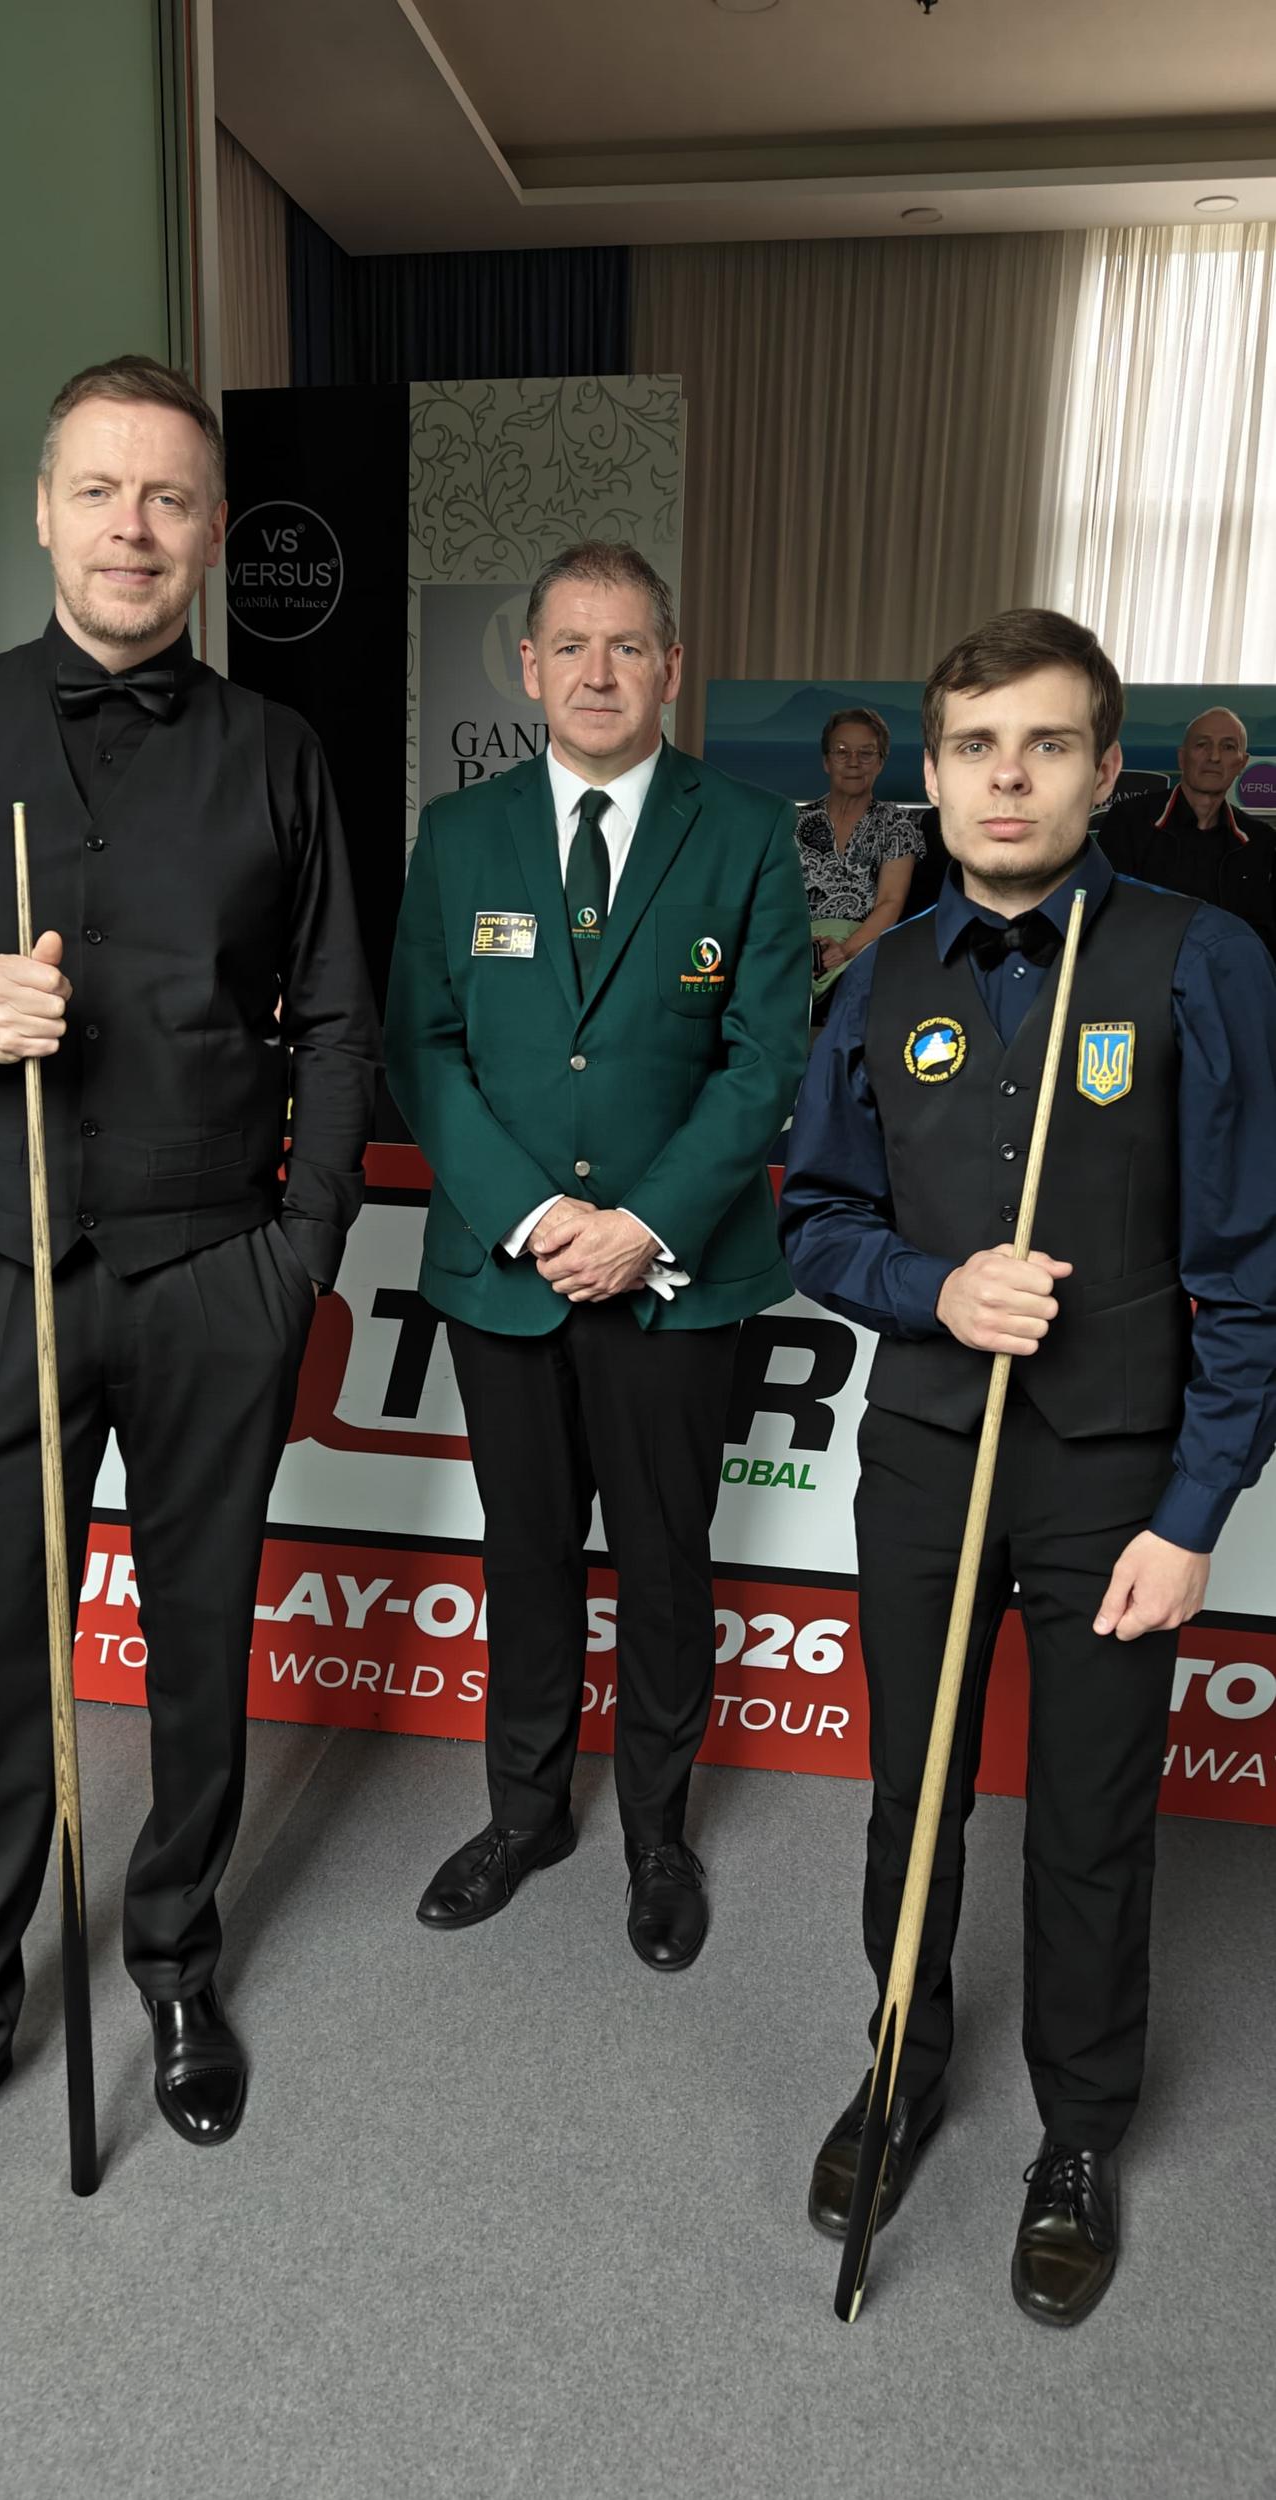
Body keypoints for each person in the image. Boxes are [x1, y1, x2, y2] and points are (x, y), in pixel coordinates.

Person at [0, 355, 379, 2242]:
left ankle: (174, 1958)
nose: (132, 528)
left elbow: (340, 1019)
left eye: (168, 498)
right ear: (43, 508)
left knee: (195, 1651)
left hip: (212, 1272)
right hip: (0, 1268)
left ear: (212, 534)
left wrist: (300, 1251)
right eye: (99, 490)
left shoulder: (278, 750)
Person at [778, 608, 1276, 2328]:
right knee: (911, 1791)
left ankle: (1077, 2131)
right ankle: (899, 2066)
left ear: (1102, 770)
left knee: (1089, 1813)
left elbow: (1249, 1267)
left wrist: (1194, 1512)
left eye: (1045, 745)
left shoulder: (1200, 961)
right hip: (926, 1452)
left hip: (1113, 1477)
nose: (1008, 779)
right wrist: (932, 1287)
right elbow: (815, 1224)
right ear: (931, 774)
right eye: (977, 748)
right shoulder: (881, 980)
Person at [386, 541, 811, 1971]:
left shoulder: (745, 831)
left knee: (664, 1561)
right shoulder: (457, 834)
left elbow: (764, 1060)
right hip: (502, 1272)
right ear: (528, 667)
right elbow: (421, 1047)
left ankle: (654, 1836)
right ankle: (523, 1814)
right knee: (524, 1554)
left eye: (627, 645)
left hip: (671, 1279)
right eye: (569, 644)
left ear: (670, 667)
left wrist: (641, 1226)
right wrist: (531, 1215)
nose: (597, 671)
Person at [1100, 708, 1276, 952]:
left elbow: (1264, 936)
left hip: (1227, 971)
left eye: (1228, 747)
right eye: (1202, 745)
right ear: (1182, 758)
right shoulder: (1129, 821)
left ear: (1242, 763)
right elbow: (1107, 917)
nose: (1214, 756)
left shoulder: (1260, 841)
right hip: (1146, 968)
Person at [793, 707, 923, 1001]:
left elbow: (890, 902)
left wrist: (845, 950)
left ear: (880, 762)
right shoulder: (795, 822)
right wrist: (803, 947)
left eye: (866, 753)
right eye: (842, 752)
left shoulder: (896, 822)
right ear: (826, 761)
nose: (854, 762)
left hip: (864, 946)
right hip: (797, 944)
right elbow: (777, 900)